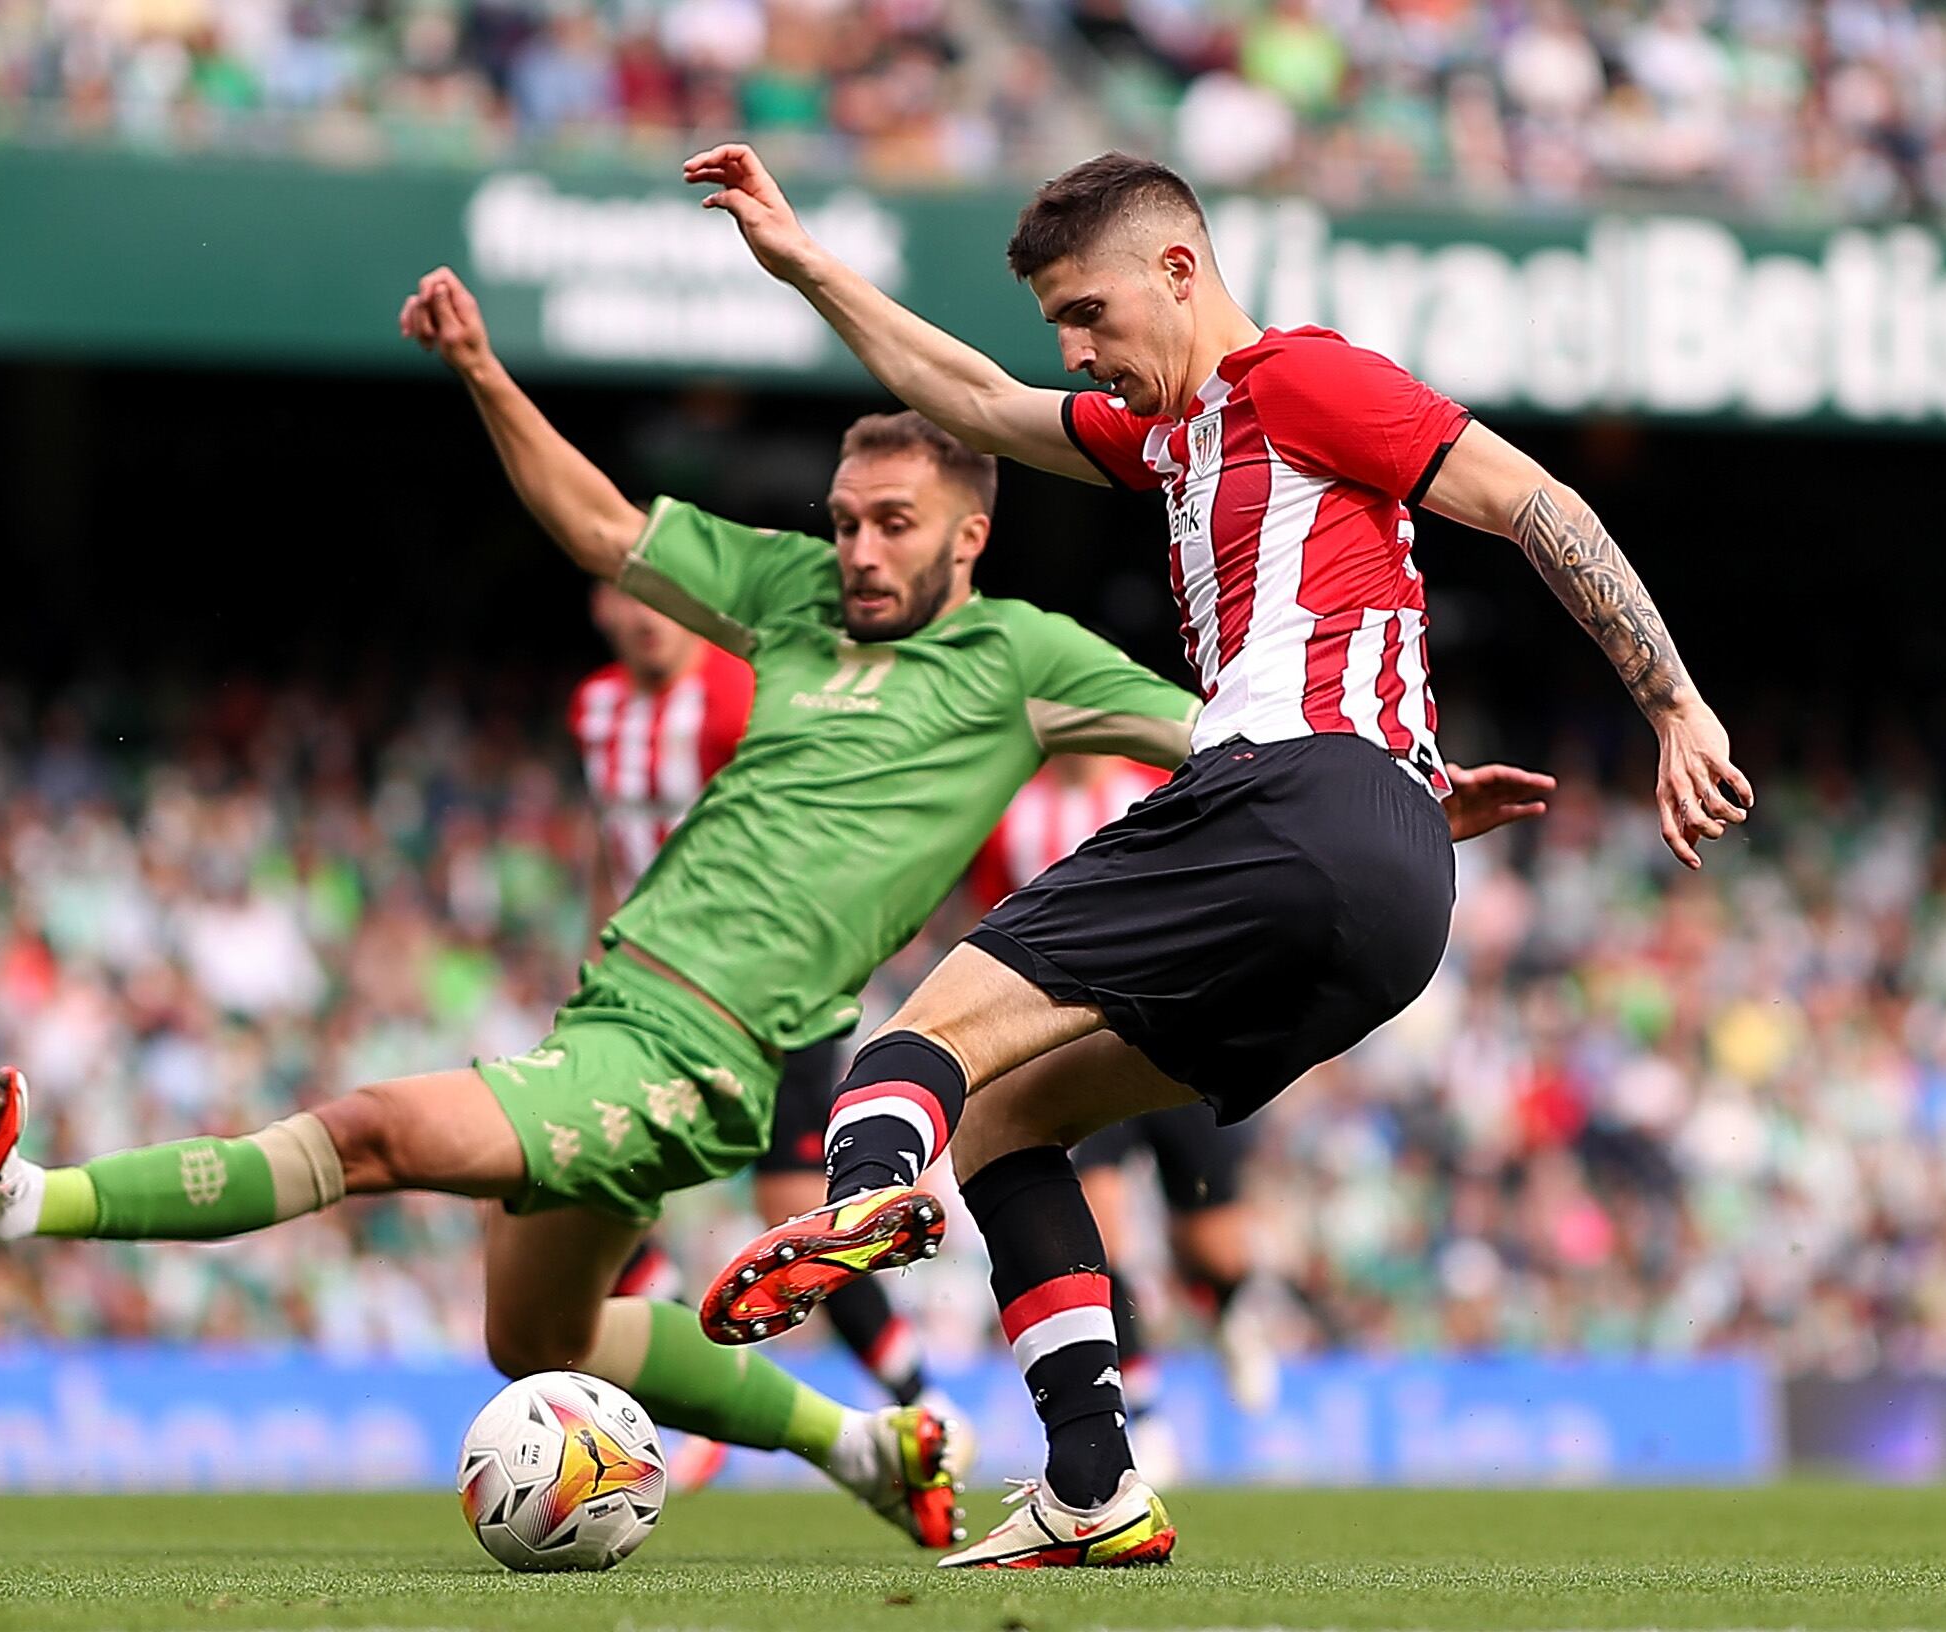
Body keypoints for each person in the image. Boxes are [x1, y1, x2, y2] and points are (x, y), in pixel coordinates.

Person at [0, 262, 1223, 1551]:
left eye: (893, 526)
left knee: (370, 1132)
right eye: (844, 520)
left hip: (707, 1052)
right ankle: (865, 1444)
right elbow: (601, 527)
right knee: (538, 1342)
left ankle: (19, 1205)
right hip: (614, 1009)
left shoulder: (1025, 661)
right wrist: (481, 371)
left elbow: (1229, 744)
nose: (859, 552)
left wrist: (1412, 792)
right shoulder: (797, 597)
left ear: (969, 535)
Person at [688, 141, 1744, 1568]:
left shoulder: (1299, 378)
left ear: (1180, 273)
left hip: (1292, 804)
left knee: (916, 1050)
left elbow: (1534, 502)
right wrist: (805, 261)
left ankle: (863, 1193)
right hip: (1392, 874)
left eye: (1089, 315)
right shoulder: (1175, 439)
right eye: (1060, 324)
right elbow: (980, 405)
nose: (1074, 350)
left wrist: (1670, 698)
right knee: (1010, 1122)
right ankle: (1092, 1485)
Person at [572, 582, 963, 1492]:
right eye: (623, 597)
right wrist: (596, 950)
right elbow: (610, 840)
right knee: (580, 1172)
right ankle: (700, 1394)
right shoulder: (593, 706)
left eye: (658, 599)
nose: (641, 617)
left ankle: (920, 1399)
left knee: (794, 1213)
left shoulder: (739, 695)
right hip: (647, 986)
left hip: (769, 983)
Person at [976, 754, 1274, 1469]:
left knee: (1214, 1248)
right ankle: (1143, 1411)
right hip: (1070, 1055)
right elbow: (985, 925)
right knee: (1099, 1239)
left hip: (1174, 1041)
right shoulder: (1011, 815)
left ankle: (1227, 1309)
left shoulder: (1157, 787)